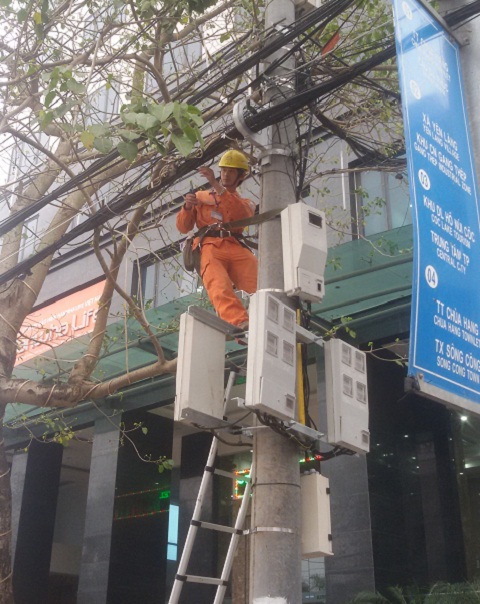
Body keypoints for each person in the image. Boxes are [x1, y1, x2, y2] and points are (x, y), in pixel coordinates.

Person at [176, 150, 257, 330]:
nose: (226, 175)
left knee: (256, 284)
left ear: (240, 176)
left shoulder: (246, 203)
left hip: (235, 246)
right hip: (210, 246)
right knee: (219, 287)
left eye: (231, 171)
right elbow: (183, 227)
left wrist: (215, 185)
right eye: (224, 171)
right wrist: (188, 207)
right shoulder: (201, 197)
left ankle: (261, 319)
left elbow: (238, 213)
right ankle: (240, 324)